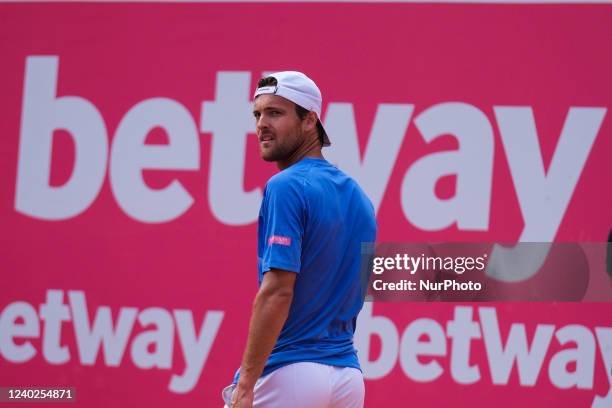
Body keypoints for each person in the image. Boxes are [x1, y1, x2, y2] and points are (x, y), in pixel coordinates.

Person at [223, 71, 377, 408]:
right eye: (258, 114)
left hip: (290, 375)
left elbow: (278, 291)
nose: (262, 124)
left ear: (310, 121)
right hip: (347, 379)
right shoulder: (361, 198)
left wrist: (246, 385)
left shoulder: (286, 186)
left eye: (275, 113)